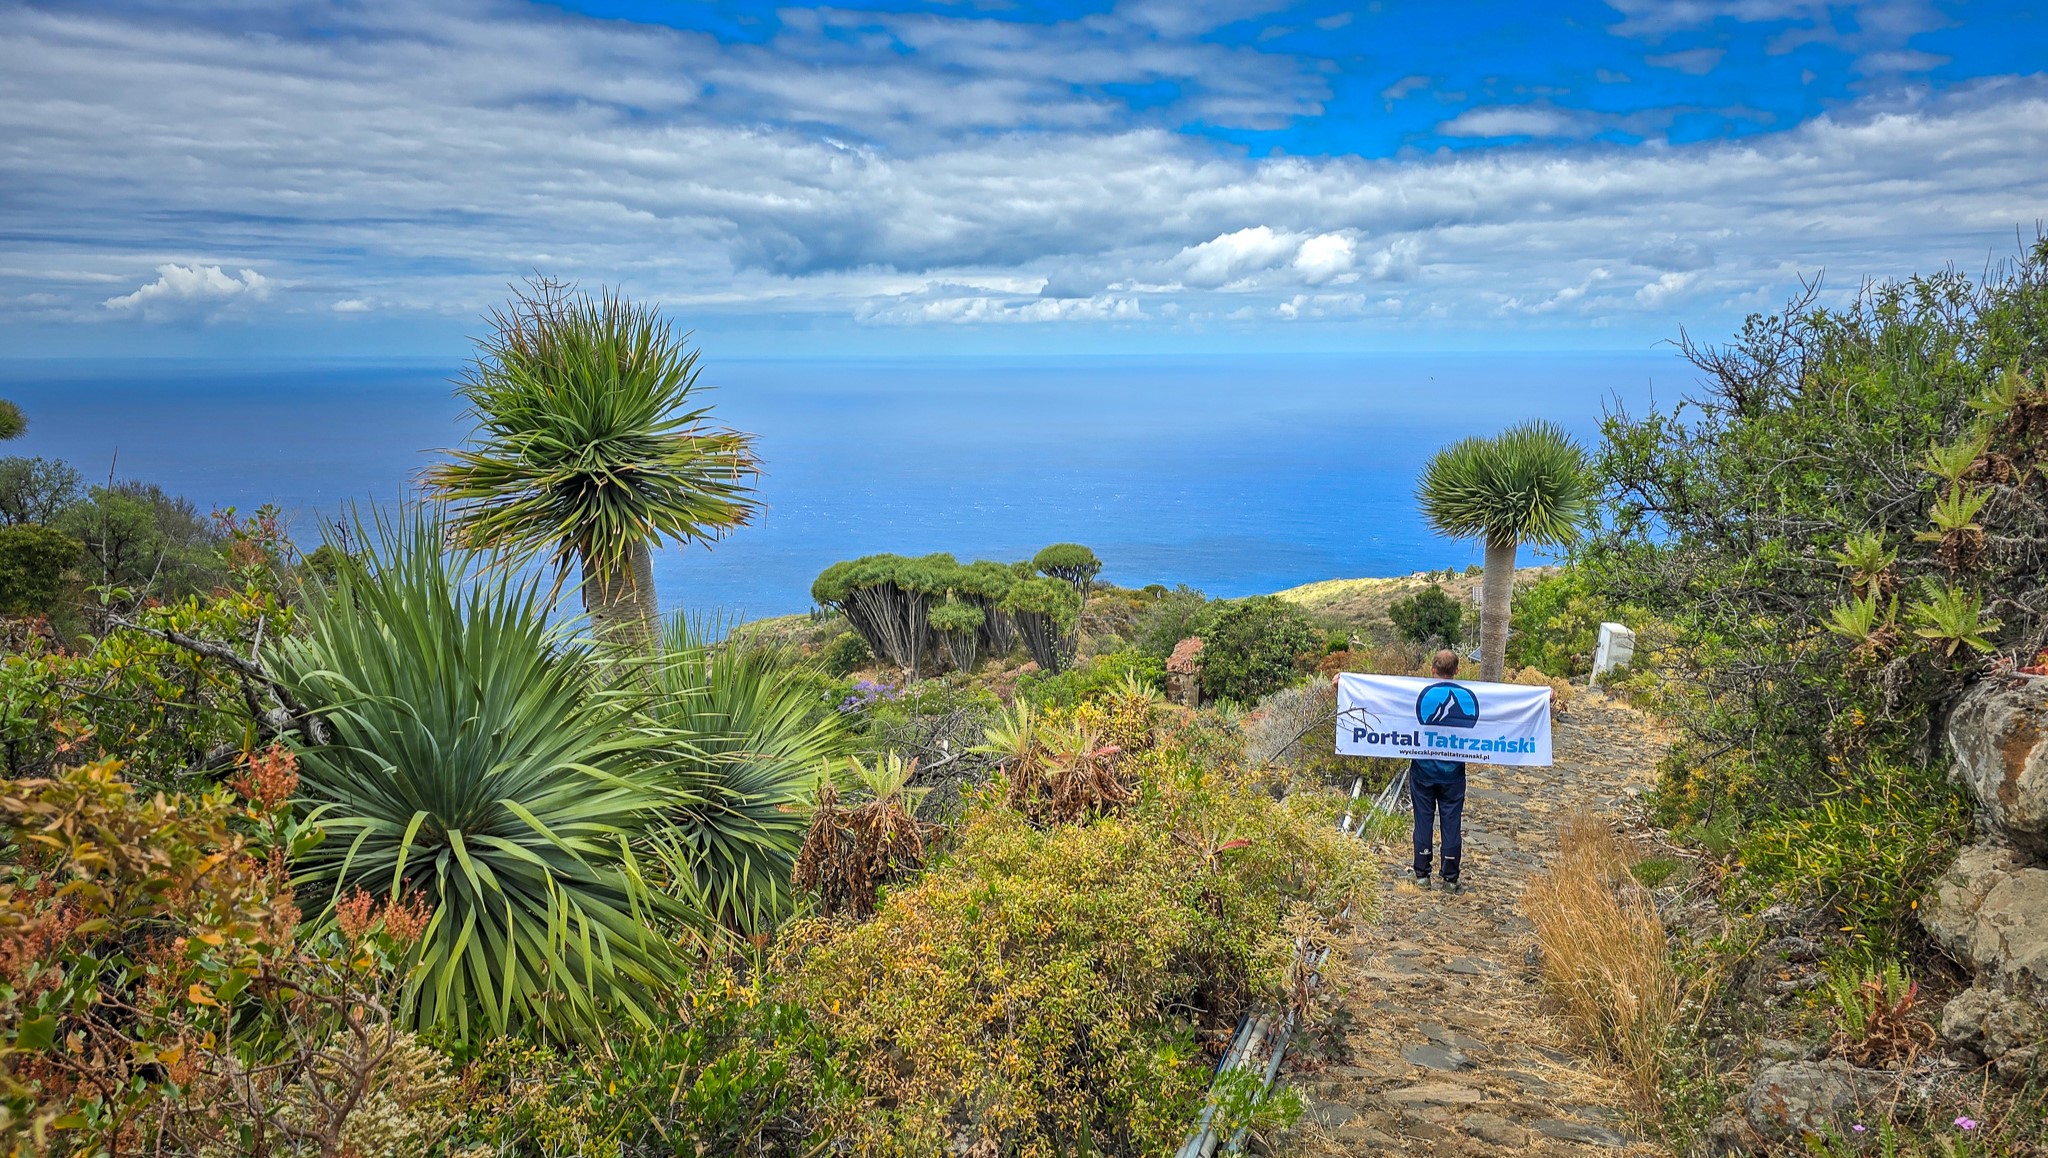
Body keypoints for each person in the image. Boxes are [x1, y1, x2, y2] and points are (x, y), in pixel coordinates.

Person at [1411, 648, 1468, 895]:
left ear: (1432, 670)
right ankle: (1450, 879)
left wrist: (1344, 684)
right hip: (1453, 773)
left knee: (1423, 820)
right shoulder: (1469, 697)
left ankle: (1422, 876)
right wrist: (1544, 698)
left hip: (1422, 770)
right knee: (1451, 822)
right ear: (1456, 671)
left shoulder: (1415, 694)